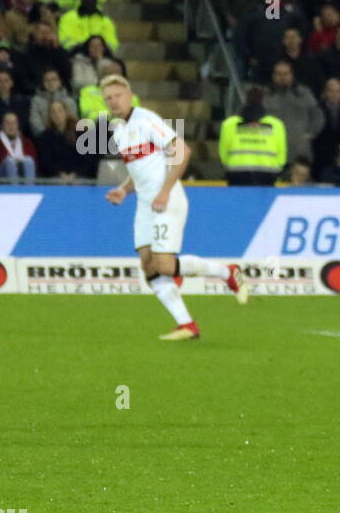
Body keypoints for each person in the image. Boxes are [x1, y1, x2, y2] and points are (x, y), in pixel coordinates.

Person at [100, 75, 249, 339]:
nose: (113, 101)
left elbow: (183, 151)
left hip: (166, 200)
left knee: (165, 266)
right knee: (148, 265)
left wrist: (165, 191)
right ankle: (187, 325)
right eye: (108, 98)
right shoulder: (119, 130)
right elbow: (139, 170)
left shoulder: (146, 120)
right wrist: (123, 190)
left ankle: (228, 272)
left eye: (117, 95)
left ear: (130, 94)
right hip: (146, 203)